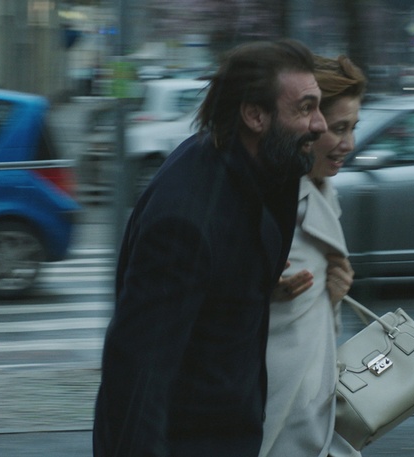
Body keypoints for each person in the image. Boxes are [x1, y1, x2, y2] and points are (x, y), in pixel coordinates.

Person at [93, 39, 327, 457]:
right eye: (305, 108)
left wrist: (254, 287)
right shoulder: (184, 221)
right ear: (255, 115)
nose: (320, 124)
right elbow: (138, 375)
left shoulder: (259, 171)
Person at [259, 54, 367, 457]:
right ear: (309, 123)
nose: (349, 144)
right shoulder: (276, 198)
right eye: (339, 128)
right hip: (274, 400)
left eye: (353, 128)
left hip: (310, 396)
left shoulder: (322, 191)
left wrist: (332, 296)